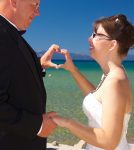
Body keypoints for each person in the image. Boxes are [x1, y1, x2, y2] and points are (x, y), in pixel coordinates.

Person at [0, 0, 60, 150]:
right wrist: (37, 126)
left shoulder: (5, 33)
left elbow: (7, 75)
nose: (38, 12)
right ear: (14, 2)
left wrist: (38, 66)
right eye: (35, 4)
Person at [52, 14, 134, 150]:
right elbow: (97, 99)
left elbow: (109, 141)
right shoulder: (111, 74)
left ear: (112, 44)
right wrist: (73, 70)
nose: (89, 38)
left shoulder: (115, 81)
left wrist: (67, 123)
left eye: (96, 35)